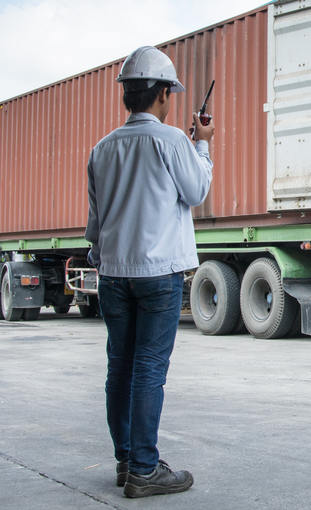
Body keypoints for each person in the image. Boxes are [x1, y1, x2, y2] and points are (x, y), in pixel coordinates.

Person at [85, 45, 215, 498]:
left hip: (113, 274)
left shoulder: (101, 150)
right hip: (157, 274)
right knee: (148, 371)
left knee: (119, 369)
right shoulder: (173, 140)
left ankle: (126, 461)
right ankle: (144, 468)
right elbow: (196, 191)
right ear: (162, 93)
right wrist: (203, 143)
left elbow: (95, 225)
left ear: (128, 95)